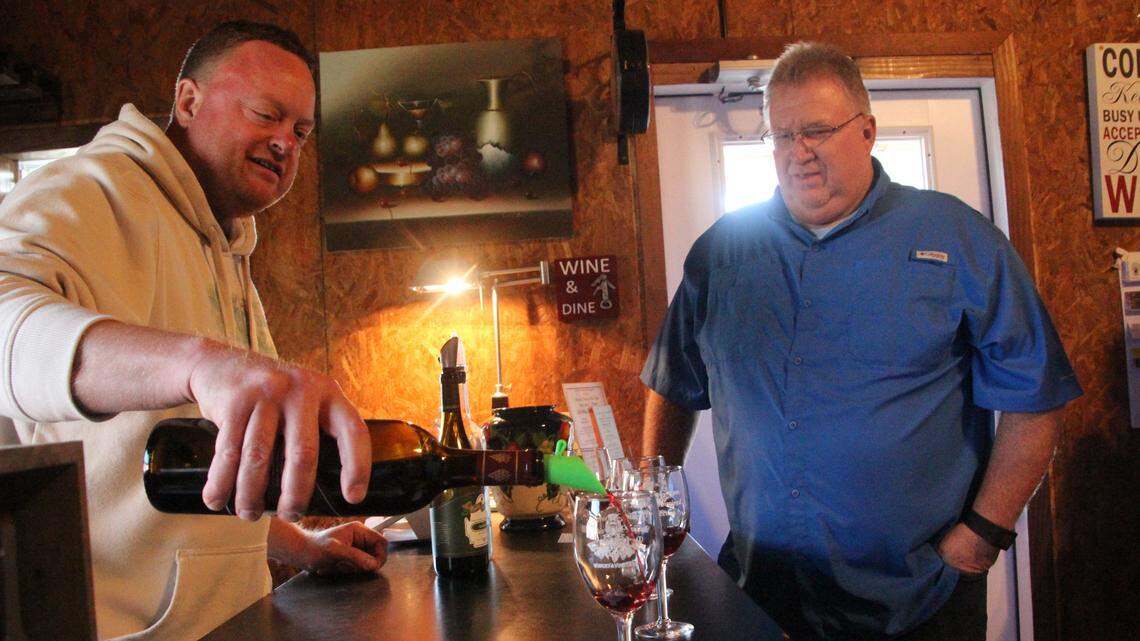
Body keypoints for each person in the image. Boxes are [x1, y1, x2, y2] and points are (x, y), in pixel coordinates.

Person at [640, 42, 1082, 641]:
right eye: (783, 135)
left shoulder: (956, 239)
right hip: (762, 595)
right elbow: (673, 382)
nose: (800, 154)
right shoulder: (722, 252)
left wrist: (983, 535)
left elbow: (1037, 395)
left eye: (817, 131)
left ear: (868, 130)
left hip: (917, 599)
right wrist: (653, 496)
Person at [0, 21, 388, 640]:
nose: (285, 142)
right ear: (188, 101)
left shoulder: (225, 244)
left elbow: (212, 471)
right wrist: (194, 363)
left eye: (301, 131)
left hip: (234, 622)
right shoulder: (95, 188)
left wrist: (300, 545)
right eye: (267, 114)